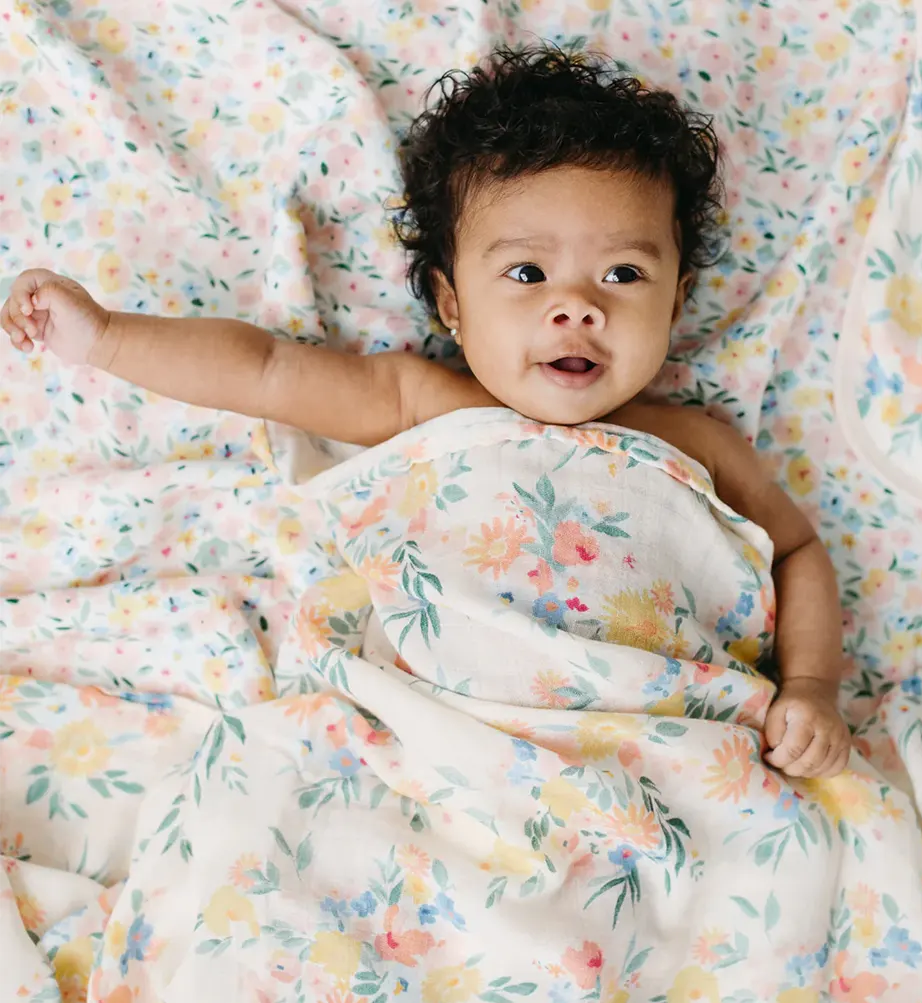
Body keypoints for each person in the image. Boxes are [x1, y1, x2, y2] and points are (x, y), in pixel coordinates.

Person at [0, 45, 851, 778]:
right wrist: (104, 336)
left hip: (661, 738)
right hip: (456, 738)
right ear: (451, 304)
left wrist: (812, 686)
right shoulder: (423, 400)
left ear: (677, 301)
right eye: (527, 274)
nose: (577, 307)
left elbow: (798, 550)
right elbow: (263, 369)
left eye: (623, 275)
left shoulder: (695, 442)